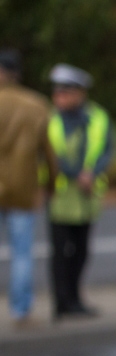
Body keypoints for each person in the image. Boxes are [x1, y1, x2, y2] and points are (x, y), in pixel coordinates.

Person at [44, 64, 110, 320]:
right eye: (57, 93)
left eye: (65, 92)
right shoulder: (49, 119)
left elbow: (106, 149)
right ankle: (61, 302)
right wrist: (76, 173)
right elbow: (49, 154)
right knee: (60, 252)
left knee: (81, 249)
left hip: (87, 196)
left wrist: (92, 173)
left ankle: (75, 298)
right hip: (60, 195)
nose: (59, 98)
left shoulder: (98, 117)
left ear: (80, 93)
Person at [0, 48, 55, 328]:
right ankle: (20, 311)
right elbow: (49, 152)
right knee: (22, 253)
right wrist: (51, 185)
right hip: (23, 188)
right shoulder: (36, 104)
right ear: (17, 74)